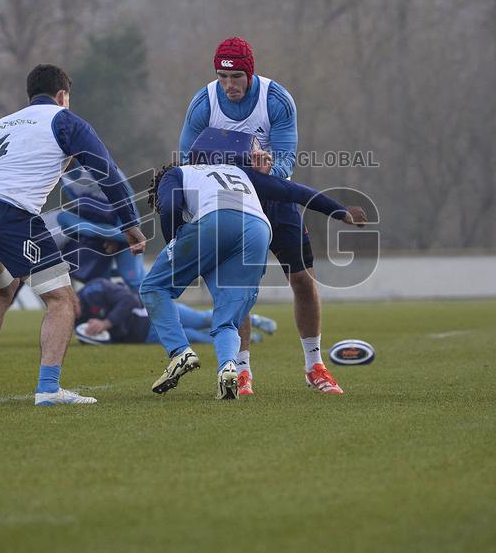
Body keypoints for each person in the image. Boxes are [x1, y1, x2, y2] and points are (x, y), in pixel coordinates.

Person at [0, 63, 146, 406]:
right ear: (62, 95)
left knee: (1, 289)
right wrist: (130, 223)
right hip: (10, 215)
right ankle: (48, 388)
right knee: (62, 300)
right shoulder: (64, 120)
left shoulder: (0, 124)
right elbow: (107, 171)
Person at [142, 131, 367, 399]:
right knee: (228, 314)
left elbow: (169, 206)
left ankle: (180, 352)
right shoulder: (238, 171)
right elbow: (291, 190)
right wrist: (339, 211)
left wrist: (174, 243)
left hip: (217, 221)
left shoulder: (174, 175)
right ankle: (229, 368)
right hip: (258, 229)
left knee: (153, 287)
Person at [179, 37, 341, 395]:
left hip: (273, 197)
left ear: (249, 73)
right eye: (223, 77)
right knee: (237, 288)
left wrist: (269, 169)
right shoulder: (204, 102)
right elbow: (187, 160)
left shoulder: (276, 99)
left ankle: (314, 364)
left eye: (236, 76)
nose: (229, 85)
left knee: (303, 280)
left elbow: (286, 160)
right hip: (229, 202)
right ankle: (242, 369)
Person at [73, 277, 274, 346]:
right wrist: (96, 335)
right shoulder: (74, 320)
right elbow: (93, 339)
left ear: (71, 298)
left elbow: (128, 299)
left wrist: (106, 323)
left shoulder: (96, 289)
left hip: (153, 312)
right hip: (145, 334)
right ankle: (245, 339)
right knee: (194, 337)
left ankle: (251, 319)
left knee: (201, 319)